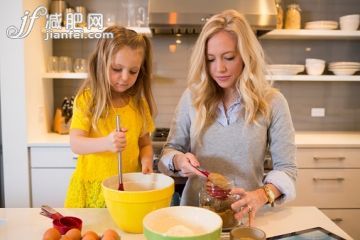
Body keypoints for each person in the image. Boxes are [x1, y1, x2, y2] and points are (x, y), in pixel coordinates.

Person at [158, 10, 297, 225]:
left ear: (246, 55)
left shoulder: (272, 102)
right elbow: (169, 152)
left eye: (229, 57)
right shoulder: (192, 98)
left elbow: (286, 169)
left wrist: (262, 195)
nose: (219, 68)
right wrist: (178, 160)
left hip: (244, 217)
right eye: (210, 59)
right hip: (194, 219)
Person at [65, 26, 156, 208]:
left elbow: (144, 143)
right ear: (101, 63)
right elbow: (76, 143)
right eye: (116, 68)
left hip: (127, 188)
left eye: (133, 71)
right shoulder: (87, 100)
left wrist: (146, 162)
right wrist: (106, 143)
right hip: (93, 189)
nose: (124, 77)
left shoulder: (139, 104)